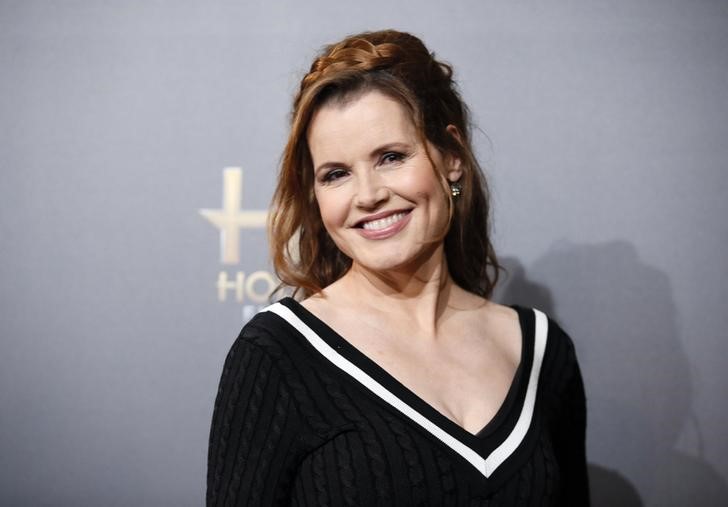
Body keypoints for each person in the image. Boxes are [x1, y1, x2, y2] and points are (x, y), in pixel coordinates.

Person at [207, 29, 589, 506]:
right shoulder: (278, 354)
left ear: (451, 158)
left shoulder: (541, 351)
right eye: (336, 174)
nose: (367, 195)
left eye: (390, 157)